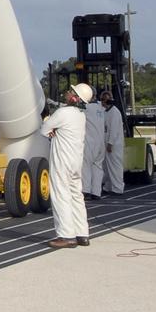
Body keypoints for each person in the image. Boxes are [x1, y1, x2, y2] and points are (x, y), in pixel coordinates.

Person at [41, 82, 91, 248]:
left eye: (71, 92)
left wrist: (53, 130)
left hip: (62, 160)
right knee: (76, 195)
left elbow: (44, 129)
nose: (68, 93)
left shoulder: (62, 113)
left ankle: (66, 235)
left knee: (60, 195)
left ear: (75, 98)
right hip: (76, 161)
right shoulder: (81, 115)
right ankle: (82, 233)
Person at [82, 93, 105, 199]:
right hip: (101, 143)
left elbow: (70, 109)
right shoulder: (101, 108)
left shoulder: (86, 108)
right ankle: (96, 192)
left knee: (86, 166)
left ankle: (86, 190)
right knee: (98, 167)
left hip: (90, 142)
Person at [101, 89, 125, 194]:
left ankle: (118, 188)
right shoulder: (104, 112)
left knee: (115, 167)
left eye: (104, 100)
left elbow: (114, 130)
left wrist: (110, 143)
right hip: (105, 143)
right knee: (106, 167)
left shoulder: (114, 112)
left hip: (114, 145)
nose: (102, 102)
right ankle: (108, 186)